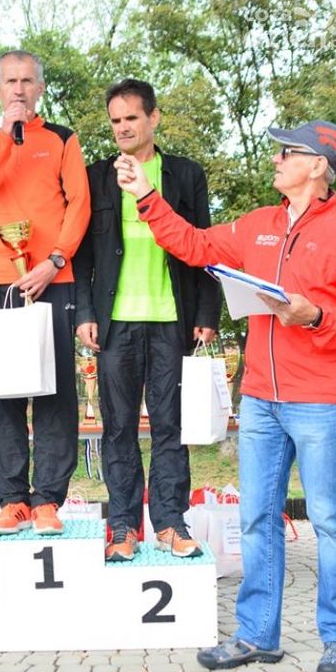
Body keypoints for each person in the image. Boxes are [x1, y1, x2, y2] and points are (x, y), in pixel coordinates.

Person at [115, 119, 336, 672]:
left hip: (322, 400)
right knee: (256, 518)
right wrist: (145, 195)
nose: (276, 158)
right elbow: (194, 244)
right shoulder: (257, 224)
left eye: (288, 152)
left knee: (329, 520)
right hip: (259, 399)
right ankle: (257, 635)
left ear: (319, 165)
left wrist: (316, 315)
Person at [73, 79, 222, 561]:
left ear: (153, 118)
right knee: (117, 428)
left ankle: (170, 523)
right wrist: (84, 312)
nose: (122, 128)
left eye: (131, 118)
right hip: (114, 324)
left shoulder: (185, 175)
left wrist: (206, 312)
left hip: (172, 320)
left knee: (169, 427)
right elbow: (82, 254)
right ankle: (122, 527)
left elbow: (205, 245)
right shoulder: (95, 176)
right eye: (115, 120)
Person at [0, 49, 90, 535]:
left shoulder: (62, 139)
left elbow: (80, 205)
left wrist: (54, 261)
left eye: (27, 81)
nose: (19, 89)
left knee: (55, 389)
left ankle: (47, 500)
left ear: (40, 88)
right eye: (10, 82)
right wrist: (3, 139)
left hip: (53, 276)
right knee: (4, 395)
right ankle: (12, 499)